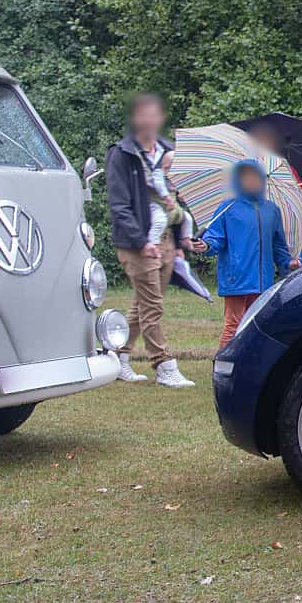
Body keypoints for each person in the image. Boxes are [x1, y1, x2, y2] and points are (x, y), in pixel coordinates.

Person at [106, 93, 196, 388]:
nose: (149, 120)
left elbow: (179, 195)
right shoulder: (122, 154)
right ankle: (164, 364)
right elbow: (119, 206)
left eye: (154, 114)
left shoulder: (168, 152)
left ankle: (118, 357)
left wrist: (179, 244)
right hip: (137, 243)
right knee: (153, 306)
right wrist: (141, 241)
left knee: (142, 305)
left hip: (167, 239)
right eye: (143, 114)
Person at [194, 159, 297, 348]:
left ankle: (249, 362)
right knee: (234, 325)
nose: (252, 181)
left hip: (262, 280)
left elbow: (278, 245)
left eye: (255, 177)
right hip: (236, 277)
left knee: (255, 326)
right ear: (238, 180)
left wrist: (287, 263)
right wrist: (206, 245)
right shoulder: (228, 208)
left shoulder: (271, 210)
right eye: (246, 177)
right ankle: (223, 362)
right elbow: (215, 237)